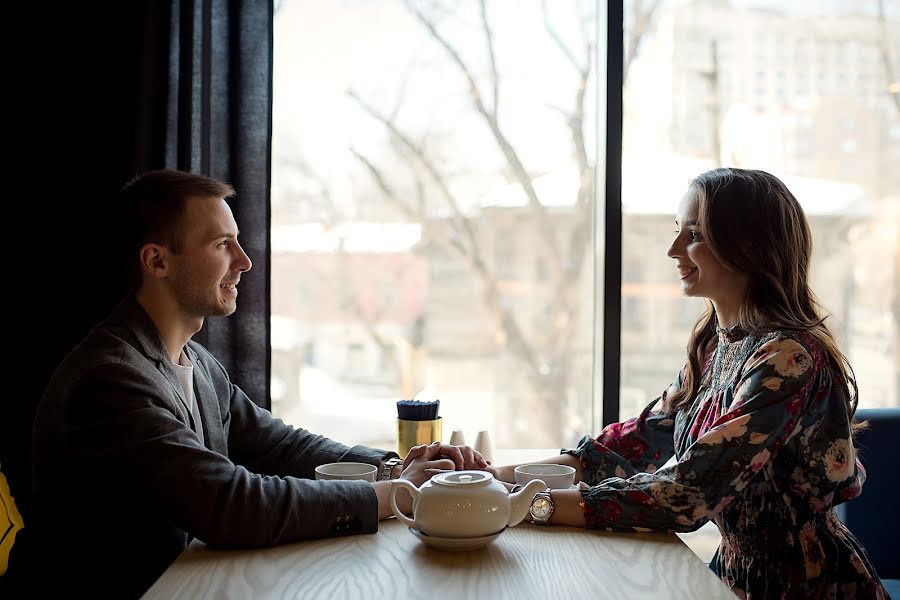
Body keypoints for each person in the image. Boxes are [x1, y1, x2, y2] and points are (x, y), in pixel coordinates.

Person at [30, 169, 488, 598]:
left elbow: (281, 447)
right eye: (222, 245)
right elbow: (232, 506)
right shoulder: (110, 381)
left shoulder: (197, 363)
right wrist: (398, 495)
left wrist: (396, 468)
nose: (244, 262)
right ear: (157, 261)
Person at [492, 168, 889, 598]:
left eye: (694, 234)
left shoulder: (789, 359)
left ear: (748, 245)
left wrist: (525, 504)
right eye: (678, 231)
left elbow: (687, 494)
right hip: (733, 576)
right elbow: (631, 445)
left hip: (804, 587)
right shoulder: (714, 350)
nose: (673, 249)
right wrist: (490, 479)